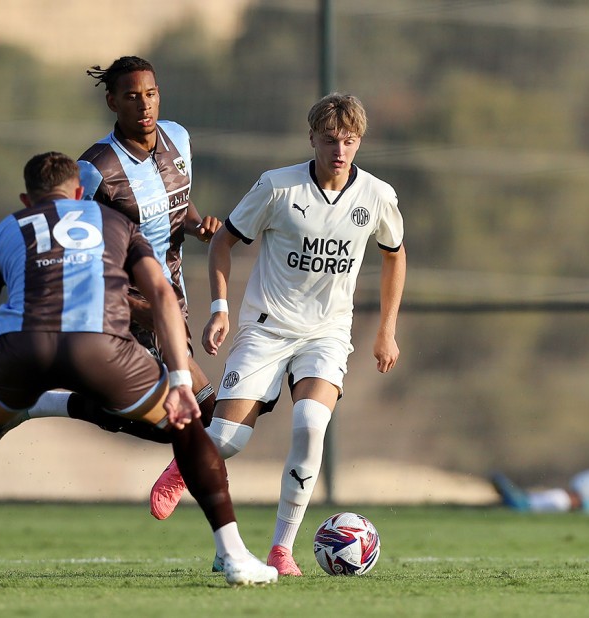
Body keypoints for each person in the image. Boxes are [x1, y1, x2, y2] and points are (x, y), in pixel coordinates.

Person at [0, 152, 277, 587]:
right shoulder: (115, 222)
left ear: (26, 199)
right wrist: (181, 381)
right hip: (99, 347)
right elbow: (162, 295)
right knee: (188, 429)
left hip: (23, 350)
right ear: (80, 193)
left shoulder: (4, 231)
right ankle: (234, 555)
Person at [149, 93, 407, 576]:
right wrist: (221, 309)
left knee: (311, 426)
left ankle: (280, 550)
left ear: (359, 143)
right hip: (267, 329)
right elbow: (223, 240)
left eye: (349, 141)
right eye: (330, 140)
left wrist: (386, 331)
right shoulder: (277, 187)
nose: (340, 150)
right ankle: (182, 467)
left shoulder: (376, 195)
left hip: (327, 334)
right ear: (311, 139)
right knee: (225, 439)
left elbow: (395, 254)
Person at [4, 56, 221, 441]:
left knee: (162, 419)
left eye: (151, 94)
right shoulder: (94, 168)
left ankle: (42, 403)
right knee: (204, 414)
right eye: (132, 96)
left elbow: (178, 201)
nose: (144, 104)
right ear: (112, 102)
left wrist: (198, 226)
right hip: (123, 303)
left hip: (170, 295)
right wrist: (135, 309)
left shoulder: (179, 139)